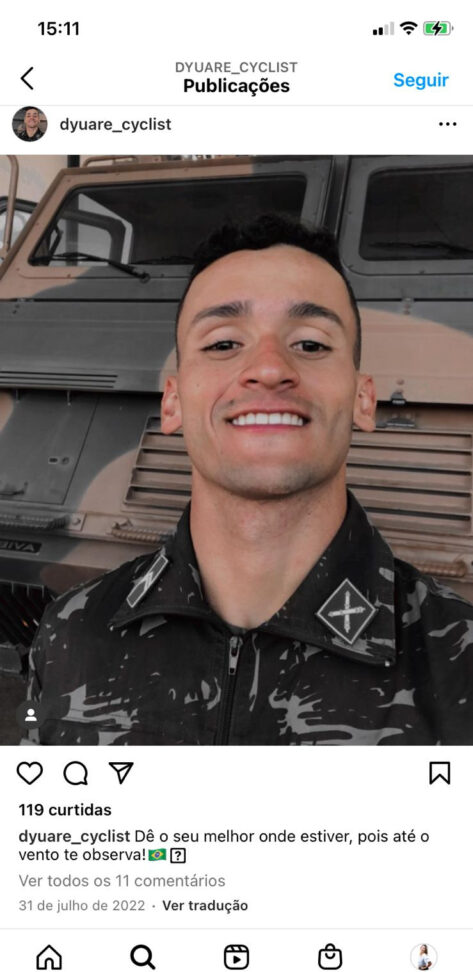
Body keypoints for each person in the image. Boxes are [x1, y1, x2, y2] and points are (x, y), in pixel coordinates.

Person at [26, 215, 473, 745]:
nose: (269, 368)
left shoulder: (457, 659)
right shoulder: (69, 634)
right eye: (222, 344)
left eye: (310, 344)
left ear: (363, 399)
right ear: (172, 402)